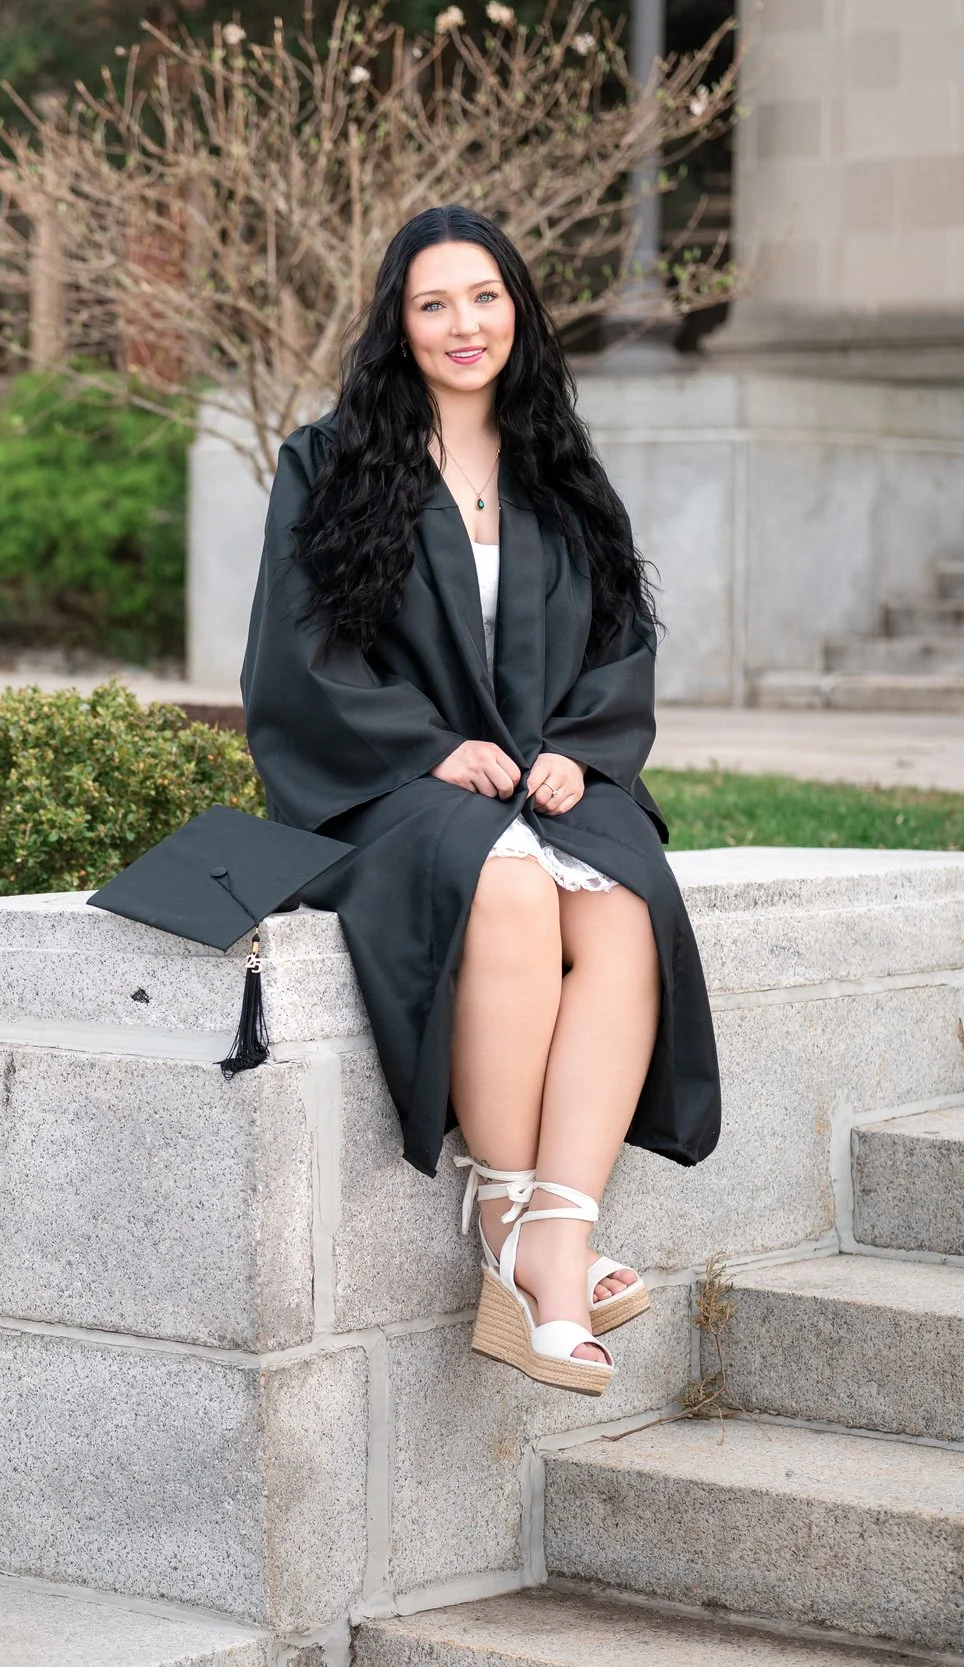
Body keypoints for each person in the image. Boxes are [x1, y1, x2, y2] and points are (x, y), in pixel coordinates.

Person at [241, 205, 722, 1396]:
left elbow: (621, 640)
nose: (465, 324)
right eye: (434, 303)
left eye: (485, 297)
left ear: (519, 308)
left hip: (543, 776)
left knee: (622, 903)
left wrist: (580, 752)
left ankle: (552, 1236)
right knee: (503, 883)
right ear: (397, 326)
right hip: (386, 784)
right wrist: (423, 743)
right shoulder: (330, 461)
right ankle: (515, 1226)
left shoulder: (560, 470)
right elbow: (294, 654)